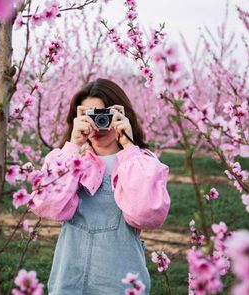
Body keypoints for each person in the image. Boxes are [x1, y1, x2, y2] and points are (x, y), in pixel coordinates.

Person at [29, 78, 171, 295]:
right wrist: (73, 146)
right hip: (69, 281)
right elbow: (45, 204)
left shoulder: (142, 163)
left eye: (105, 115)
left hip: (121, 282)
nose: (99, 123)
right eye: (91, 115)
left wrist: (128, 147)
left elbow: (147, 215)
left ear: (122, 116)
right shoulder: (68, 161)